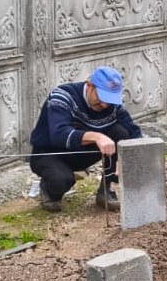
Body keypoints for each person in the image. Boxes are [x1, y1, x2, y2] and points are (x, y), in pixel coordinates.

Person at [28, 66, 142, 212]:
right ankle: (49, 189)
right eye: (101, 97)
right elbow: (59, 135)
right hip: (51, 154)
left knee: (120, 133)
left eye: (110, 99)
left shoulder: (113, 105)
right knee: (61, 180)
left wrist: (127, 158)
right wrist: (97, 136)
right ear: (89, 86)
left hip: (81, 151)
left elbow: (134, 132)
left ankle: (107, 190)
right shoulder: (62, 96)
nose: (105, 105)